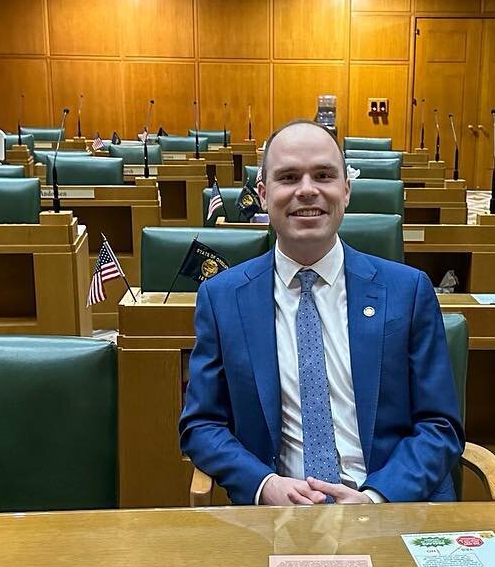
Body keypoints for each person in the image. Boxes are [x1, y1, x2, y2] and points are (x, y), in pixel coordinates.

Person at [179, 120, 463, 505]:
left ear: (346, 191)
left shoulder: (407, 291)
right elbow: (202, 424)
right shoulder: (222, 298)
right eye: (289, 177)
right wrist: (264, 485)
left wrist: (377, 497)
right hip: (277, 516)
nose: (307, 190)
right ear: (263, 195)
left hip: (394, 507)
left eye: (324, 175)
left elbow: (439, 425)